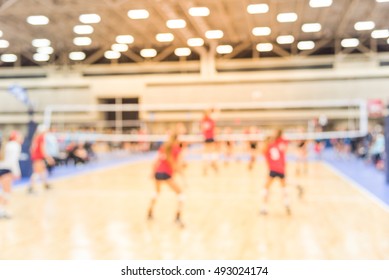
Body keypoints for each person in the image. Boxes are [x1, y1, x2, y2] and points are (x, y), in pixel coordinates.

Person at [147, 131, 184, 227]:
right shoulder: (176, 150)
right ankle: (178, 217)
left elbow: (156, 161)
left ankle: (149, 212)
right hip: (166, 174)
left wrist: (152, 172)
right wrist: (181, 172)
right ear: (176, 140)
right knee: (180, 193)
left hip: (158, 173)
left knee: (156, 192)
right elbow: (176, 165)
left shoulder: (163, 148)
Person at [261, 129, 290, 215]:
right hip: (281, 170)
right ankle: (286, 203)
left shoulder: (267, 148)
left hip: (273, 170)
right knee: (284, 188)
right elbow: (284, 159)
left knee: (266, 188)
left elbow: (267, 159)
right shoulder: (279, 146)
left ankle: (264, 208)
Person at [0, 131, 23, 219]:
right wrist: (17, 173)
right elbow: (13, 161)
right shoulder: (15, 145)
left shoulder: (8, 144)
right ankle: (2, 210)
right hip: (6, 169)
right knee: (7, 191)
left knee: (4, 191)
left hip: (2, 167)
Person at [28, 125, 54, 194]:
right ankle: (31, 187)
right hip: (38, 157)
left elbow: (31, 149)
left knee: (43, 171)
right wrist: (48, 157)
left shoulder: (36, 137)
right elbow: (43, 149)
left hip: (36, 156)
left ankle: (46, 184)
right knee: (37, 172)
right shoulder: (41, 137)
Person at [201, 109, 218, 175]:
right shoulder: (207, 120)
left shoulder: (207, 120)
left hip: (209, 138)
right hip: (208, 138)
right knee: (209, 154)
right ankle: (208, 167)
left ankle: (210, 167)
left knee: (210, 154)